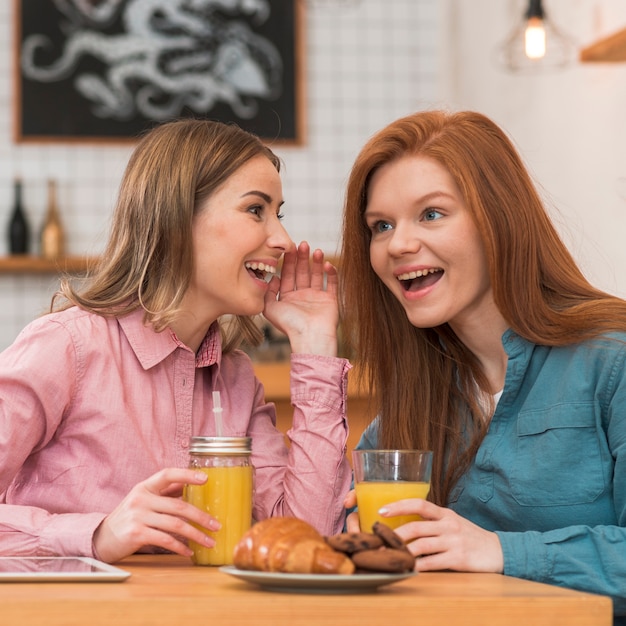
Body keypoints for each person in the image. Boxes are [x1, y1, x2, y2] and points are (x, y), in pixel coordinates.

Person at [0, 119, 352, 564]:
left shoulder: (237, 380)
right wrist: (95, 534)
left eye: (277, 214)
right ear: (177, 218)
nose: (282, 239)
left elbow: (303, 539)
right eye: (255, 210)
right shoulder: (67, 348)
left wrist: (314, 344)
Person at [340, 109, 626, 622]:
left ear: (499, 217)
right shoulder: (416, 393)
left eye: (431, 214)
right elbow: (344, 544)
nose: (398, 244)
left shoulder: (613, 359)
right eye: (380, 226)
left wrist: (499, 552)